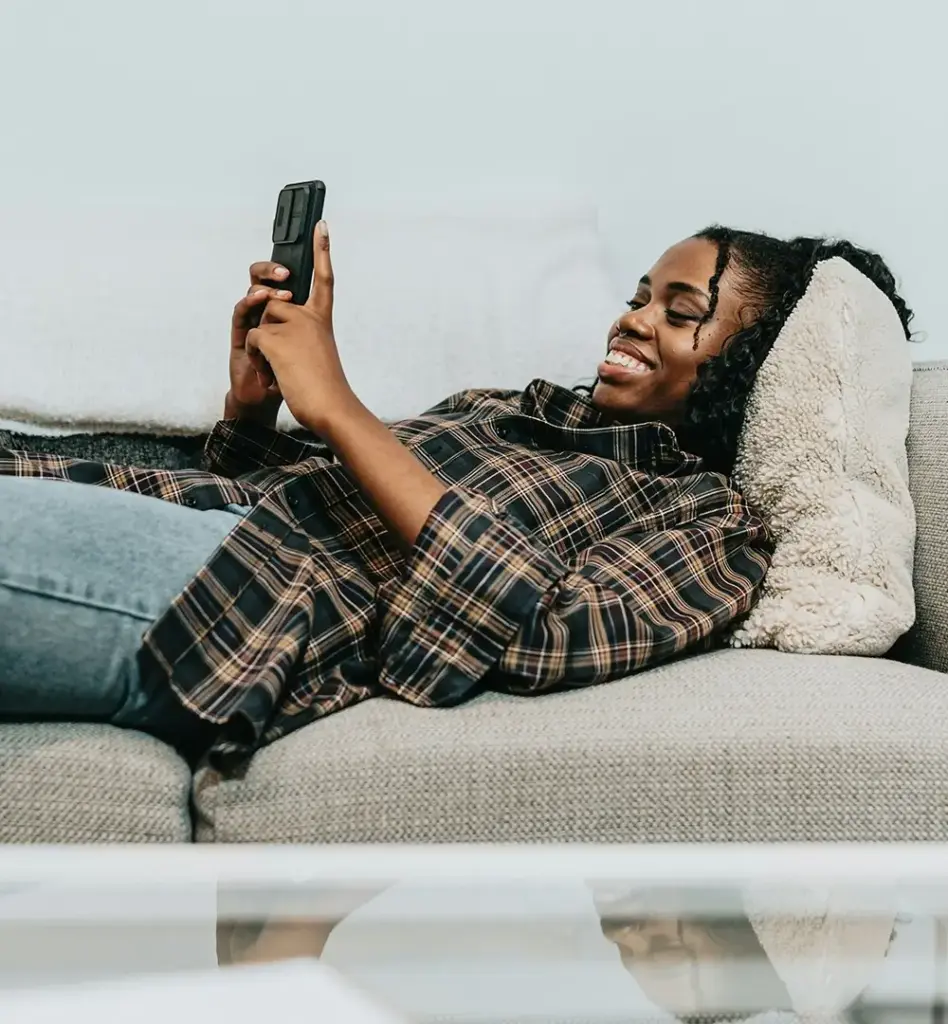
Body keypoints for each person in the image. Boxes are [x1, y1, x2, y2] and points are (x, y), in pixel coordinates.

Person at [0, 221, 913, 772]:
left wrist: (341, 409)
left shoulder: (711, 523)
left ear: (749, 371)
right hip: (169, 511)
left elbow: (547, 630)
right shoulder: (502, 409)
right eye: (641, 295)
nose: (634, 318)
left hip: (238, 601)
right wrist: (254, 410)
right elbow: (290, 497)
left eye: (683, 313)